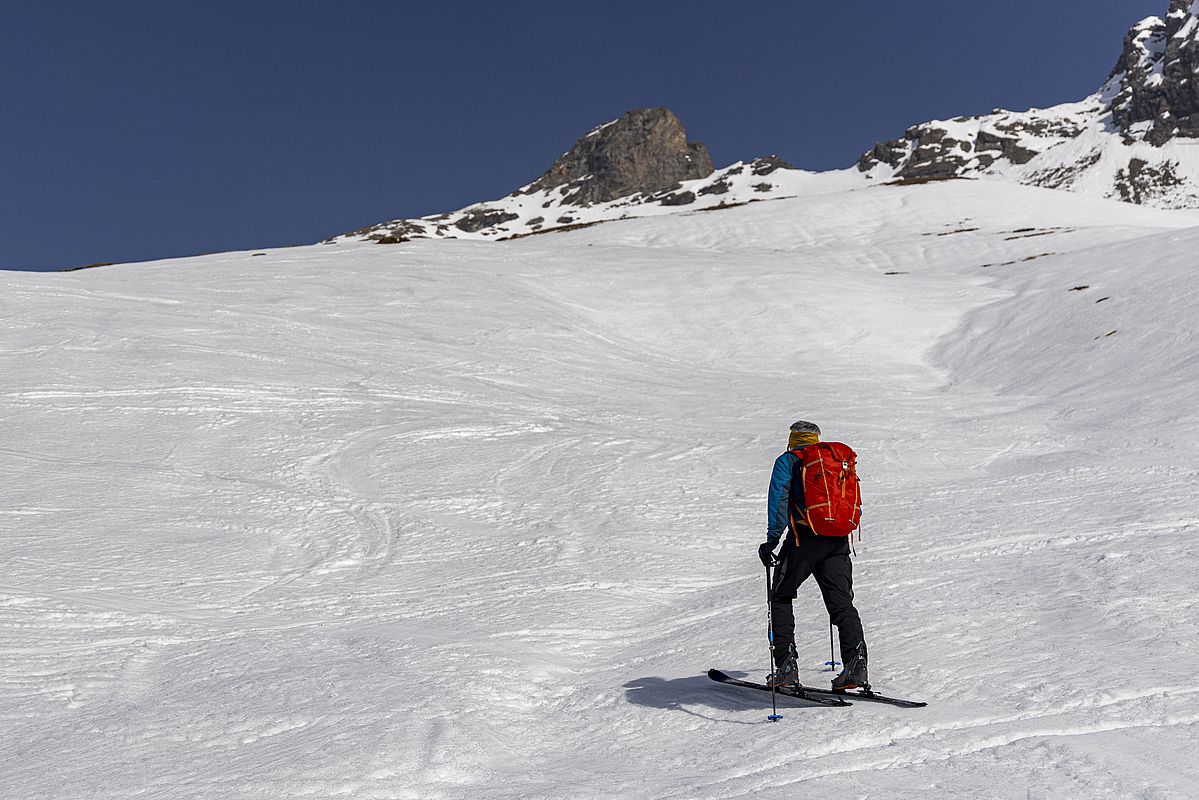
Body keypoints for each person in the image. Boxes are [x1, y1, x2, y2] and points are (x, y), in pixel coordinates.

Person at [758, 420, 869, 690]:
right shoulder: (832, 461)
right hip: (838, 540)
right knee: (842, 603)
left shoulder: (788, 461)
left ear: (792, 438)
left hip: (804, 540)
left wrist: (771, 541)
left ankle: (786, 667)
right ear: (816, 439)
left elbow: (779, 504)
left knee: (781, 594)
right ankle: (856, 666)